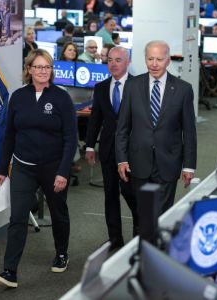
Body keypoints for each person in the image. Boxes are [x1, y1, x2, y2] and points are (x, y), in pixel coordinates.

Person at [0, 49, 77, 288]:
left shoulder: (61, 98)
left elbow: (71, 138)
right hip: (23, 167)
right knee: (18, 218)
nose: (43, 71)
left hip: (53, 167)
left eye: (47, 67)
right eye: (38, 67)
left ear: (52, 70)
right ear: (29, 69)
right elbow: (9, 135)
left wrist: (62, 171)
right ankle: (10, 271)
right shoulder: (18, 97)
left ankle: (61, 253)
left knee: (59, 213)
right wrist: (1, 168)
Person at [116, 40, 197, 217]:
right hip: (138, 162)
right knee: (141, 213)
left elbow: (189, 131)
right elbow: (122, 127)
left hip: (168, 162)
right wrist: (121, 159)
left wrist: (189, 166)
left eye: (159, 59)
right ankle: (140, 245)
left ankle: (157, 245)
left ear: (168, 60)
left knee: (161, 215)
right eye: (150, 58)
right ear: (145, 59)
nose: (154, 64)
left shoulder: (183, 90)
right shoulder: (132, 86)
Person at [85, 47, 138, 251]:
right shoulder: (100, 87)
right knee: (110, 196)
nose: (113, 64)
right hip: (107, 149)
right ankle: (115, 238)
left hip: (132, 152)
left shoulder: (139, 85)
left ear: (128, 62)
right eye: (110, 60)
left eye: (118, 60)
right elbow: (95, 120)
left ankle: (139, 235)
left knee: (131, 194)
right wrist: (90, 146)